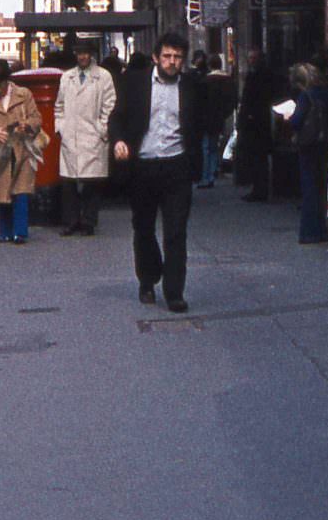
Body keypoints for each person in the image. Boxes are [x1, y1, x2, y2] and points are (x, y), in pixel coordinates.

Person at [109, 29, 204, 312]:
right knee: (144, 227)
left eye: (177, 57)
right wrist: (118, 141)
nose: (172, 62)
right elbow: (117, 117)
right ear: (155, 57)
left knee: (176, 231)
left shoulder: (192, 86)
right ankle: (148, 280)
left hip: (177, 166)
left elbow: (205, 117)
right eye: (167, 56)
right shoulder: (135, 83)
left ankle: (174, 292)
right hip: (143, 166)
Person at [0, 60, 47, 243]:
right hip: (0, 152)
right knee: (2, 193)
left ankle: (20, 232)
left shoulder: (24, 95)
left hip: (22, 149)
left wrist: (27, 124)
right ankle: (5, 231)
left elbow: (37, 118)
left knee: (21, 191)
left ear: (6, 81)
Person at [54, 39, 116, 235]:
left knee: (93, 182)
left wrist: (102, 128)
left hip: (93, 134)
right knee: (69, 183)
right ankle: (71, 222)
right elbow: (59, 106)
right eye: (79, 52)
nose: (82, 56)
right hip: (71, 135)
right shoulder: (67, 77)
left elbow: (110, 104)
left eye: (86, 52)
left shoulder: (103, 76)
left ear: (91, 54)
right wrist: (61, 127)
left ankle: (89, 222)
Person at [287, 61, 328, 244]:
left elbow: (297, 121)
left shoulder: (305, 96)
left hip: (308, 145)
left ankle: (309, 231)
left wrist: (289, 117)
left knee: (309, 187)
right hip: (325, 143)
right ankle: (322, 230)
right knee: (321, 185)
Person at [234, 46, 278, 201]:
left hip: (257, 122)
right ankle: (258, 187)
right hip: (254, 122)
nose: (251, 61)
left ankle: (260, 189)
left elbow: (253, 99)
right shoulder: (254, 75)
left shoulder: (259, 76)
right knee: (256, 158)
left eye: (254, 58)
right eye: (250, 58)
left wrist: (247, 117)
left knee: (258, 158)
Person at [199, 54, 238, 188]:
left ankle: (206, 176)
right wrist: (224, 114)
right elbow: (233, 100)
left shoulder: (205, 81)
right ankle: (213, 170)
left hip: (205, 118)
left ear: (210, 65)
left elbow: (200, 102)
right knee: (215, 146)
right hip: (220, 117)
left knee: (205, 147)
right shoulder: (228, 80)